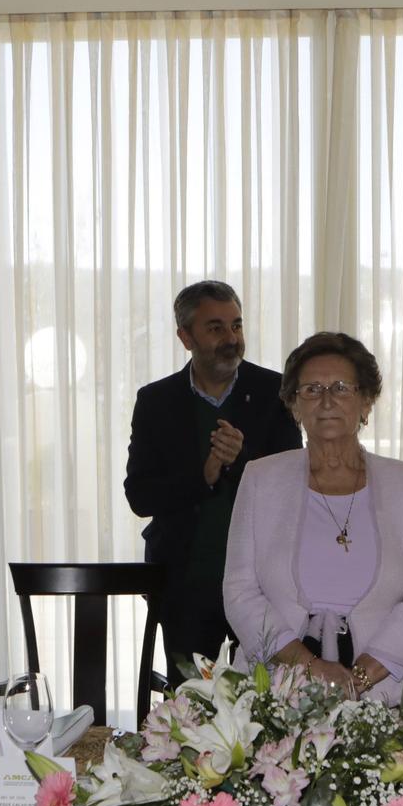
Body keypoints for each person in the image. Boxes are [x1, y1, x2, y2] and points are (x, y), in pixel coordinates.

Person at [223, 332, 403, 701]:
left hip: (385, 690)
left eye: (341, 388)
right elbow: (240, 591)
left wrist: (358, 678)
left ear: (366, 401)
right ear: (294, 405)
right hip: (277, 686)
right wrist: (310, 668)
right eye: (310, 390)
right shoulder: (260, 479)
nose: (326, 401)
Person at [125, 280, 300, 671]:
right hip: (184, 582)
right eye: (215, 327)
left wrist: (241, 460)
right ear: (185, 336)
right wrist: (202, 475)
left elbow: (295, 486)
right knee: (189, 709)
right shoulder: (156, 401)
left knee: (268, 705)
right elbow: (140, 495)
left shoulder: (276, 392)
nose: (231, 338)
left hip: (263, 584)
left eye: (236, 326)